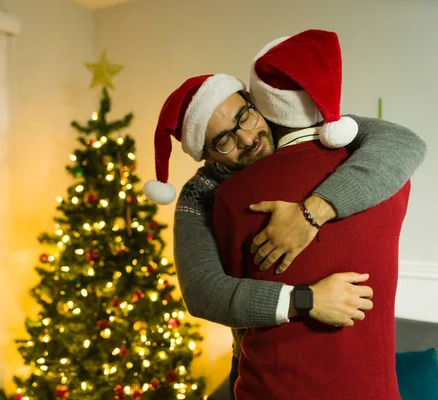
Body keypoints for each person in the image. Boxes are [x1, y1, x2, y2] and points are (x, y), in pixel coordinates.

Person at [143, 31, 426, 399]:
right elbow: (203, 292)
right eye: (224, 140)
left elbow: (404, 144)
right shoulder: (203, 196)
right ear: (209, 156)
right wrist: (306, 300)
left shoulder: (319, 133)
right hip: (256, 359)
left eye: (244, 117)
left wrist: (312, 213)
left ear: (255, 104)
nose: (247, 139)